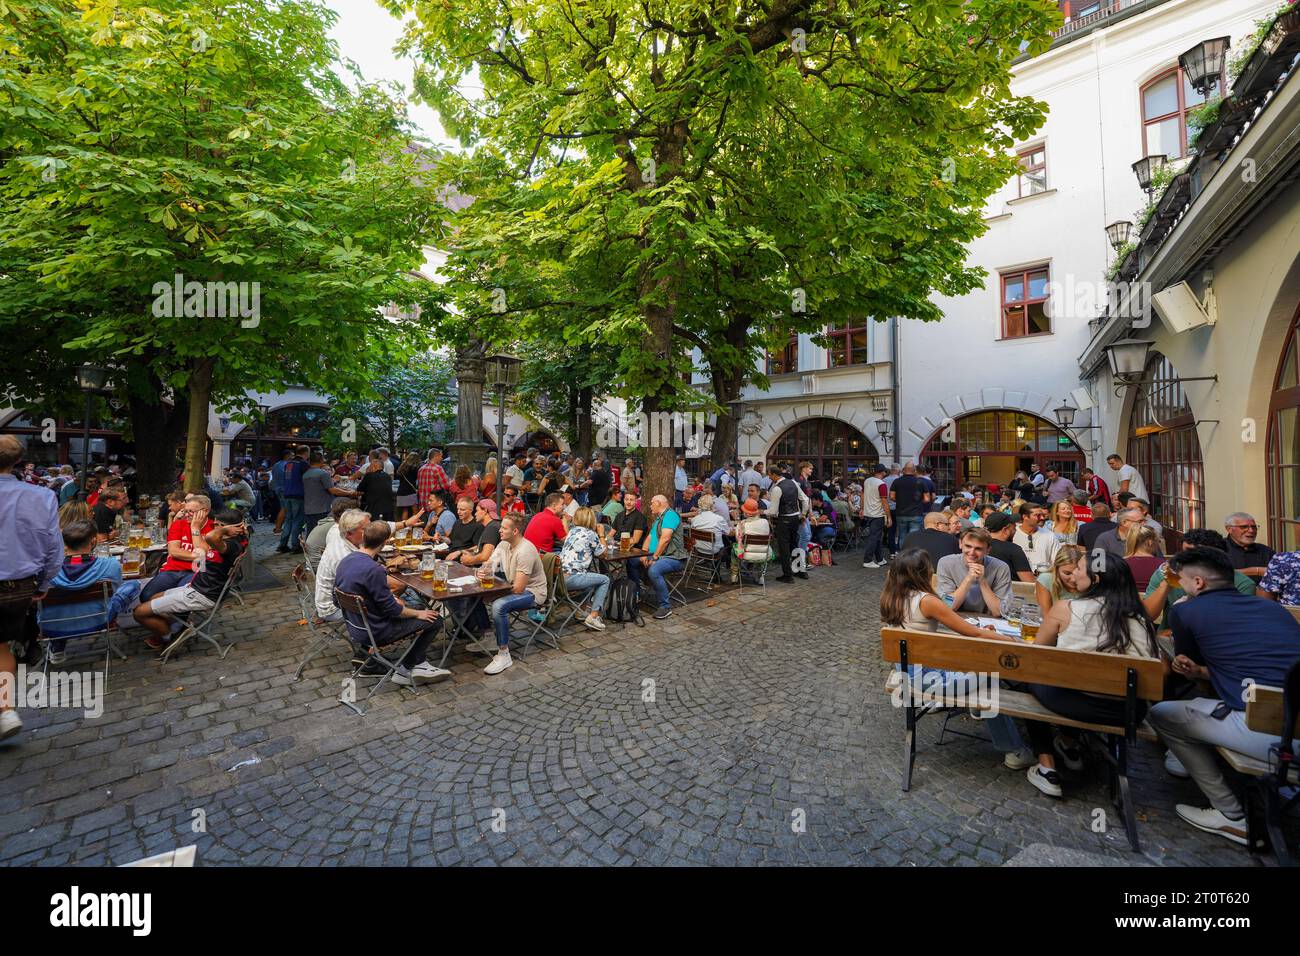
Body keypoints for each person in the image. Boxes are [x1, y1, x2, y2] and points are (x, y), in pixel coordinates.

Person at [1147, 547, 1300, 845]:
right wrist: (1206, 673)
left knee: (1161, 714)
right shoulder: (1272, 609)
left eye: (1184, 580)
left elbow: (1186, 661)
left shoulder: (1185, 610)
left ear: (1199, 583)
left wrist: (1195, 669)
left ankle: (1230, 815)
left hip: (1268, 733)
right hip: (1288, 719)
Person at [1020, 551, 1160, 798]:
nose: (1074, 574)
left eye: (1079, 570)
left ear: (1095, 579)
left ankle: (1046, 764)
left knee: (1030, 677)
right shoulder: (1140, 618)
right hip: (1127, 711)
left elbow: (1036, 654)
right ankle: (1069, 743)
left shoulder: (1066, 608)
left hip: (1075, 702)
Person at [880, 548, 1033, 769]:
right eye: (929, 566)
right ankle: (1014, 750)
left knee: (974, 664)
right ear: (922, 573)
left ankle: (982, 712)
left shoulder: (890, 596)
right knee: (991, 676)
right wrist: (1010, 640)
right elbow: (973, 633)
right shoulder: (927, 601)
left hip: (907, 672)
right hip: (930, 679)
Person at [333, 520, 447, 686]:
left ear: (363, 536)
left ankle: (420, 662)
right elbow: (394, 610)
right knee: (434, 619)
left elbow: (337, 600)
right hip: (377, 630)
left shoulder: (346, 560)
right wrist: (417, 614)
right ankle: (406, 668)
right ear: (385, 542)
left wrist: (374, 604)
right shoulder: (374, 569)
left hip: (355, 627)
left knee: (418, 608)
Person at [0, 435, 63, 734]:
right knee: (2, 647)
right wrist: (44, 581)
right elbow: (53, 545)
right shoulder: (41, 497)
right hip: (19, 583)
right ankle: (5, 710)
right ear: (18, 462)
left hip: (18, 579)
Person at [133, 507, 248, 651]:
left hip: (202, 595)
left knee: (138, 612)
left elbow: (210, 537)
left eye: (216, 525)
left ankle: (170, 637)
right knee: (152, 597)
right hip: (197, 588)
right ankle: (178, 628)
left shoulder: (230, 546)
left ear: (226, 528)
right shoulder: (238, 540)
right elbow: (204, 548)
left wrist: (223, 530)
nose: (213, 527)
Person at [36, 518, 143, 665]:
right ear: (93, 542)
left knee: (63, 606)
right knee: (133, 584)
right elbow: (117, 590)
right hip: (99, 620)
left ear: (64, 544)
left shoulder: (45, 569)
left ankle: (57, 647)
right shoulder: (110, 565)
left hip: (51, 625)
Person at [315, 508, 423, 621]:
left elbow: (380, 528)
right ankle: (387, 627)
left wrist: (405, 523)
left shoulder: (345, 537)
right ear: (350, 532)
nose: (370, 531)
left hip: (345, 597)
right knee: (400, 592)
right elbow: (368, 582)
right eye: (365, 529)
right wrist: (394, 601)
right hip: (335, 608)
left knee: (398, 587)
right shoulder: (343, 555)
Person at [1140, 529, 1260, 626]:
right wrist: (1166, 583)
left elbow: (1234, 625)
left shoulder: (1242, 584)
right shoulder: (1166, 574)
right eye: (1183, 552)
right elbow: (1148, 615)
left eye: (1191, 554)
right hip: (1168, 640)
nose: (1183, 559)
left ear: (1215, 557)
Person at [481, 513, 549, 675]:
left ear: (515, 531)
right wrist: (482, 572)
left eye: (504, 528)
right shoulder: (504, 544)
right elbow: (490, 564)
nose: (500, 531)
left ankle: (504, 654)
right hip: (515, 587)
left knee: (499, 605)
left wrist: (495, 592)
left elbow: (518, 588)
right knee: (474, 596)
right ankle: (487, 635)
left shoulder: (525, 550)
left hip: (533, 592)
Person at [627, 495, 689, 619]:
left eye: (652, 503)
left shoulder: (670, 515)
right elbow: (649, 537)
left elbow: (665, 539)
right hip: (656, 555)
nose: (650, 506)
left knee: (654, 569)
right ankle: (638, 592)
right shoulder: (659, 518)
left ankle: (665, 607)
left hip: (674, 557)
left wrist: (654, 557)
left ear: (659, 503)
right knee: (631, 560)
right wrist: (643, 553)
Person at [934, 527, 1012, 615]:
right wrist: (968, 579)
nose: (972, 552)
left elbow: (998, 612)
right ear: (960, 544)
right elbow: (947, 606)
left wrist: (982, 581)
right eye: (968, 546)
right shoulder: (946, 563)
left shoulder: (1001, 567)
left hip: (988, 621)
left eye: (978, 549)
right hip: (955, 618)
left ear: (988, 550)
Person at [559, 507, 610, 630]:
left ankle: (579, 611)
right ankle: (593, 616)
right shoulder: (590, 534)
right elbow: (603, 554)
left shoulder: (572, 531)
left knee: (589, 579)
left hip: (559, 578)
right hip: (572, 578)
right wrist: (602, 534)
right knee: (605, 580)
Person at [766, 464, 807, 584]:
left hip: (784, 520)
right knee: (795, 544)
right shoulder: (793, 483)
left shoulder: (777, 488)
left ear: (774, 474)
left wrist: (762, 511)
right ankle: (800, 570)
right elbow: (805, 499)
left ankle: (787, 575)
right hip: (795, 518)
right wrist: (803, 514)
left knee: (784, 548)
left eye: (769, 475)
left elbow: (773, 512)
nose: (769, 478)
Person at [302, 451, 355, 537]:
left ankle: (310, 549)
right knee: (323, 533)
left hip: (309, 508)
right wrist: (349, 492)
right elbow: (332, 490)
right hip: (321, 508)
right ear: (321, 460)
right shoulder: (322, 473)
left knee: (311, 532)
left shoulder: (306, 474)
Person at [982, 512, 1036, 584]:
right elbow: (1030, 583)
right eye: (1014, 527)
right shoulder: (1013, 549)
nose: (1016, 530)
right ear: (1006, 530)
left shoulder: (977, 547)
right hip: (1010, 593)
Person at [1221, 512, 1273, 584]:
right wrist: (1255, 571)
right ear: (1229, 529)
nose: (1251, 531)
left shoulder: (1266, 551)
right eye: (1243, 527)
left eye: (1254, 527)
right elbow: (1214, 574)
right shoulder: (1218, 548)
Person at [447, 498, 501, 567]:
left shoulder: (492, 527)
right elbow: (479, 548)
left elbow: (485, 556)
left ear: (485, 511)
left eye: (477, 511)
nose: (475, 514)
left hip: (493, 572)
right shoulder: (494, 524)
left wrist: (470, 560)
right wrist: (462, 551)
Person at [1034, 544, 1087, 612]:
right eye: (1067, 573)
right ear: (1056, 569)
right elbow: (1046, 616)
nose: (1073, 579)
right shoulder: (1046, 580)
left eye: (1077, 572)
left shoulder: (1089, 581)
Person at [275, 444, 308, 554]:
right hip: (298, 494)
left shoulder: (288, 463)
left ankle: (282, 545)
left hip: (287, 494)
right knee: (298, 521)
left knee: (288, 520)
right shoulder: (303, 464)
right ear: (306, 453)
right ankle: (295, 546)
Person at [1012, 502, 1061, 574]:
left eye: (1043, 515)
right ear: (1025, 516)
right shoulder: (1013, 533)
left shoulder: (1050, 535)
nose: (1042, 518)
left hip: (1043, 577)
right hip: (1017, 577)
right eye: (1037, 515)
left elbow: (1057, 560)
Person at [305, 497, 355, 565]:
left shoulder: (330, 523)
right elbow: (341, 552)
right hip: (318, 564)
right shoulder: (335, 528)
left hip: (315, 562)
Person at [890, 463, 930, 544]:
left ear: (903, 470)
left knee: (902, 536)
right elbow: (927, 499)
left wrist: (900, 501)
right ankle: (912, 555)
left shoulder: (897, 481)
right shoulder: (920, 482)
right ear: (914, 471)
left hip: (901, 513)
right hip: (916, 513)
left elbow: (891, 497)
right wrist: (918, 502)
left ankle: (903, 554)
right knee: (913, 536)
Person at [859, 463, 890, 568]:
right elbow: (884, 501)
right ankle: (867, 560)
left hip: (868, 513)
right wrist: (889, 516)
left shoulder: (867, 481)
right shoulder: (881, 484)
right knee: (874, 537)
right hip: (877, 514)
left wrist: (862, 508)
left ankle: (880, 559)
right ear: (883, 472)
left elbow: (862, 495)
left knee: (876, 537)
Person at [356, 451, 396, 521]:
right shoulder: (387, 476)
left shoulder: (369, 475)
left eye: (370, 466)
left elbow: (359, 489)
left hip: (374, 510)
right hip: (389, 509)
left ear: (374, 467)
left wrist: (367, 473)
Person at [1123, 525, 1164, 591]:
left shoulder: (1120, 564)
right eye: (1158, 541)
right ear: (1150, 542)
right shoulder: (1163, 566)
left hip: (1127, 600)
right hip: (1155, 600)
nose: (1158, 544)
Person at [735, 499, 772, 567]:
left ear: (745, 513)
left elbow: (738, 540)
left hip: (746, 555)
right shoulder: (765, 522)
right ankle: (761, 573)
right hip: (765, 554)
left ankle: (735, 575)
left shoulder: (741, 525)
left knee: (733, 549)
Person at [394, 452, 421, 519]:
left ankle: (404, 527)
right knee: (415, 510)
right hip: (410, 491)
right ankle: (413, 526)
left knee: (405, 510)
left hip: (401, 491)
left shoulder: (402, 467)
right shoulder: (415, 469)